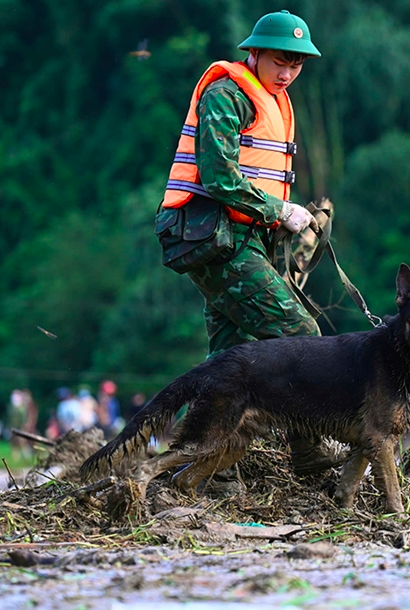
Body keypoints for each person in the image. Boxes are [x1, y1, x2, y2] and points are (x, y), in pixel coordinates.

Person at [159, 10, 340, 479]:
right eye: (280, 62)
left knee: (226, 362)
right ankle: (307, 453)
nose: (287, 74)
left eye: (296, 66)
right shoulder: (227, 94)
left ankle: (200, 468)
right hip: (216, 240)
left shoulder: (276, 101)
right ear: (254, 53)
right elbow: (218, 176)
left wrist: (284, 220)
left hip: (244, 239)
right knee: (302, 335)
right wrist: (280, 210)